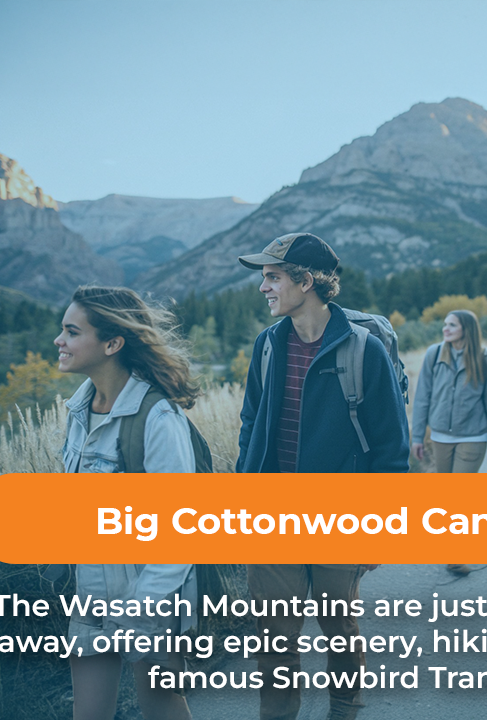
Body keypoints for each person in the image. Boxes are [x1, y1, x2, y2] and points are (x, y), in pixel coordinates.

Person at [236, 232, 410, 720]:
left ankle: (345, 707)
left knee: (338, 624)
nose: (264, 287)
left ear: (305, 281)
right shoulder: (267, 345)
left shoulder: (364, 351)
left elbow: (392, 451)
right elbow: (251, 423)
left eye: (272, 277)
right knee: (274, 636)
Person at [55, 285, 202, 720]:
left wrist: (144, 609)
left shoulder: (158, 418)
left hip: (147, 597)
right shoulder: (79, 410)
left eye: (71, 331)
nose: (59, 341)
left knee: (161, 707)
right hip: (91, 596)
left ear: (112, 344)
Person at [410, 310, 487, 576]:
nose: (446, 329)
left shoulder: (485, 359)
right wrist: (418, 436)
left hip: (472, 437)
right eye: (444, 324)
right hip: (440, 436)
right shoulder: (434, 354)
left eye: (452, 325)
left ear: (467, 329)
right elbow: (422, 398)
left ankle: (455, 554)